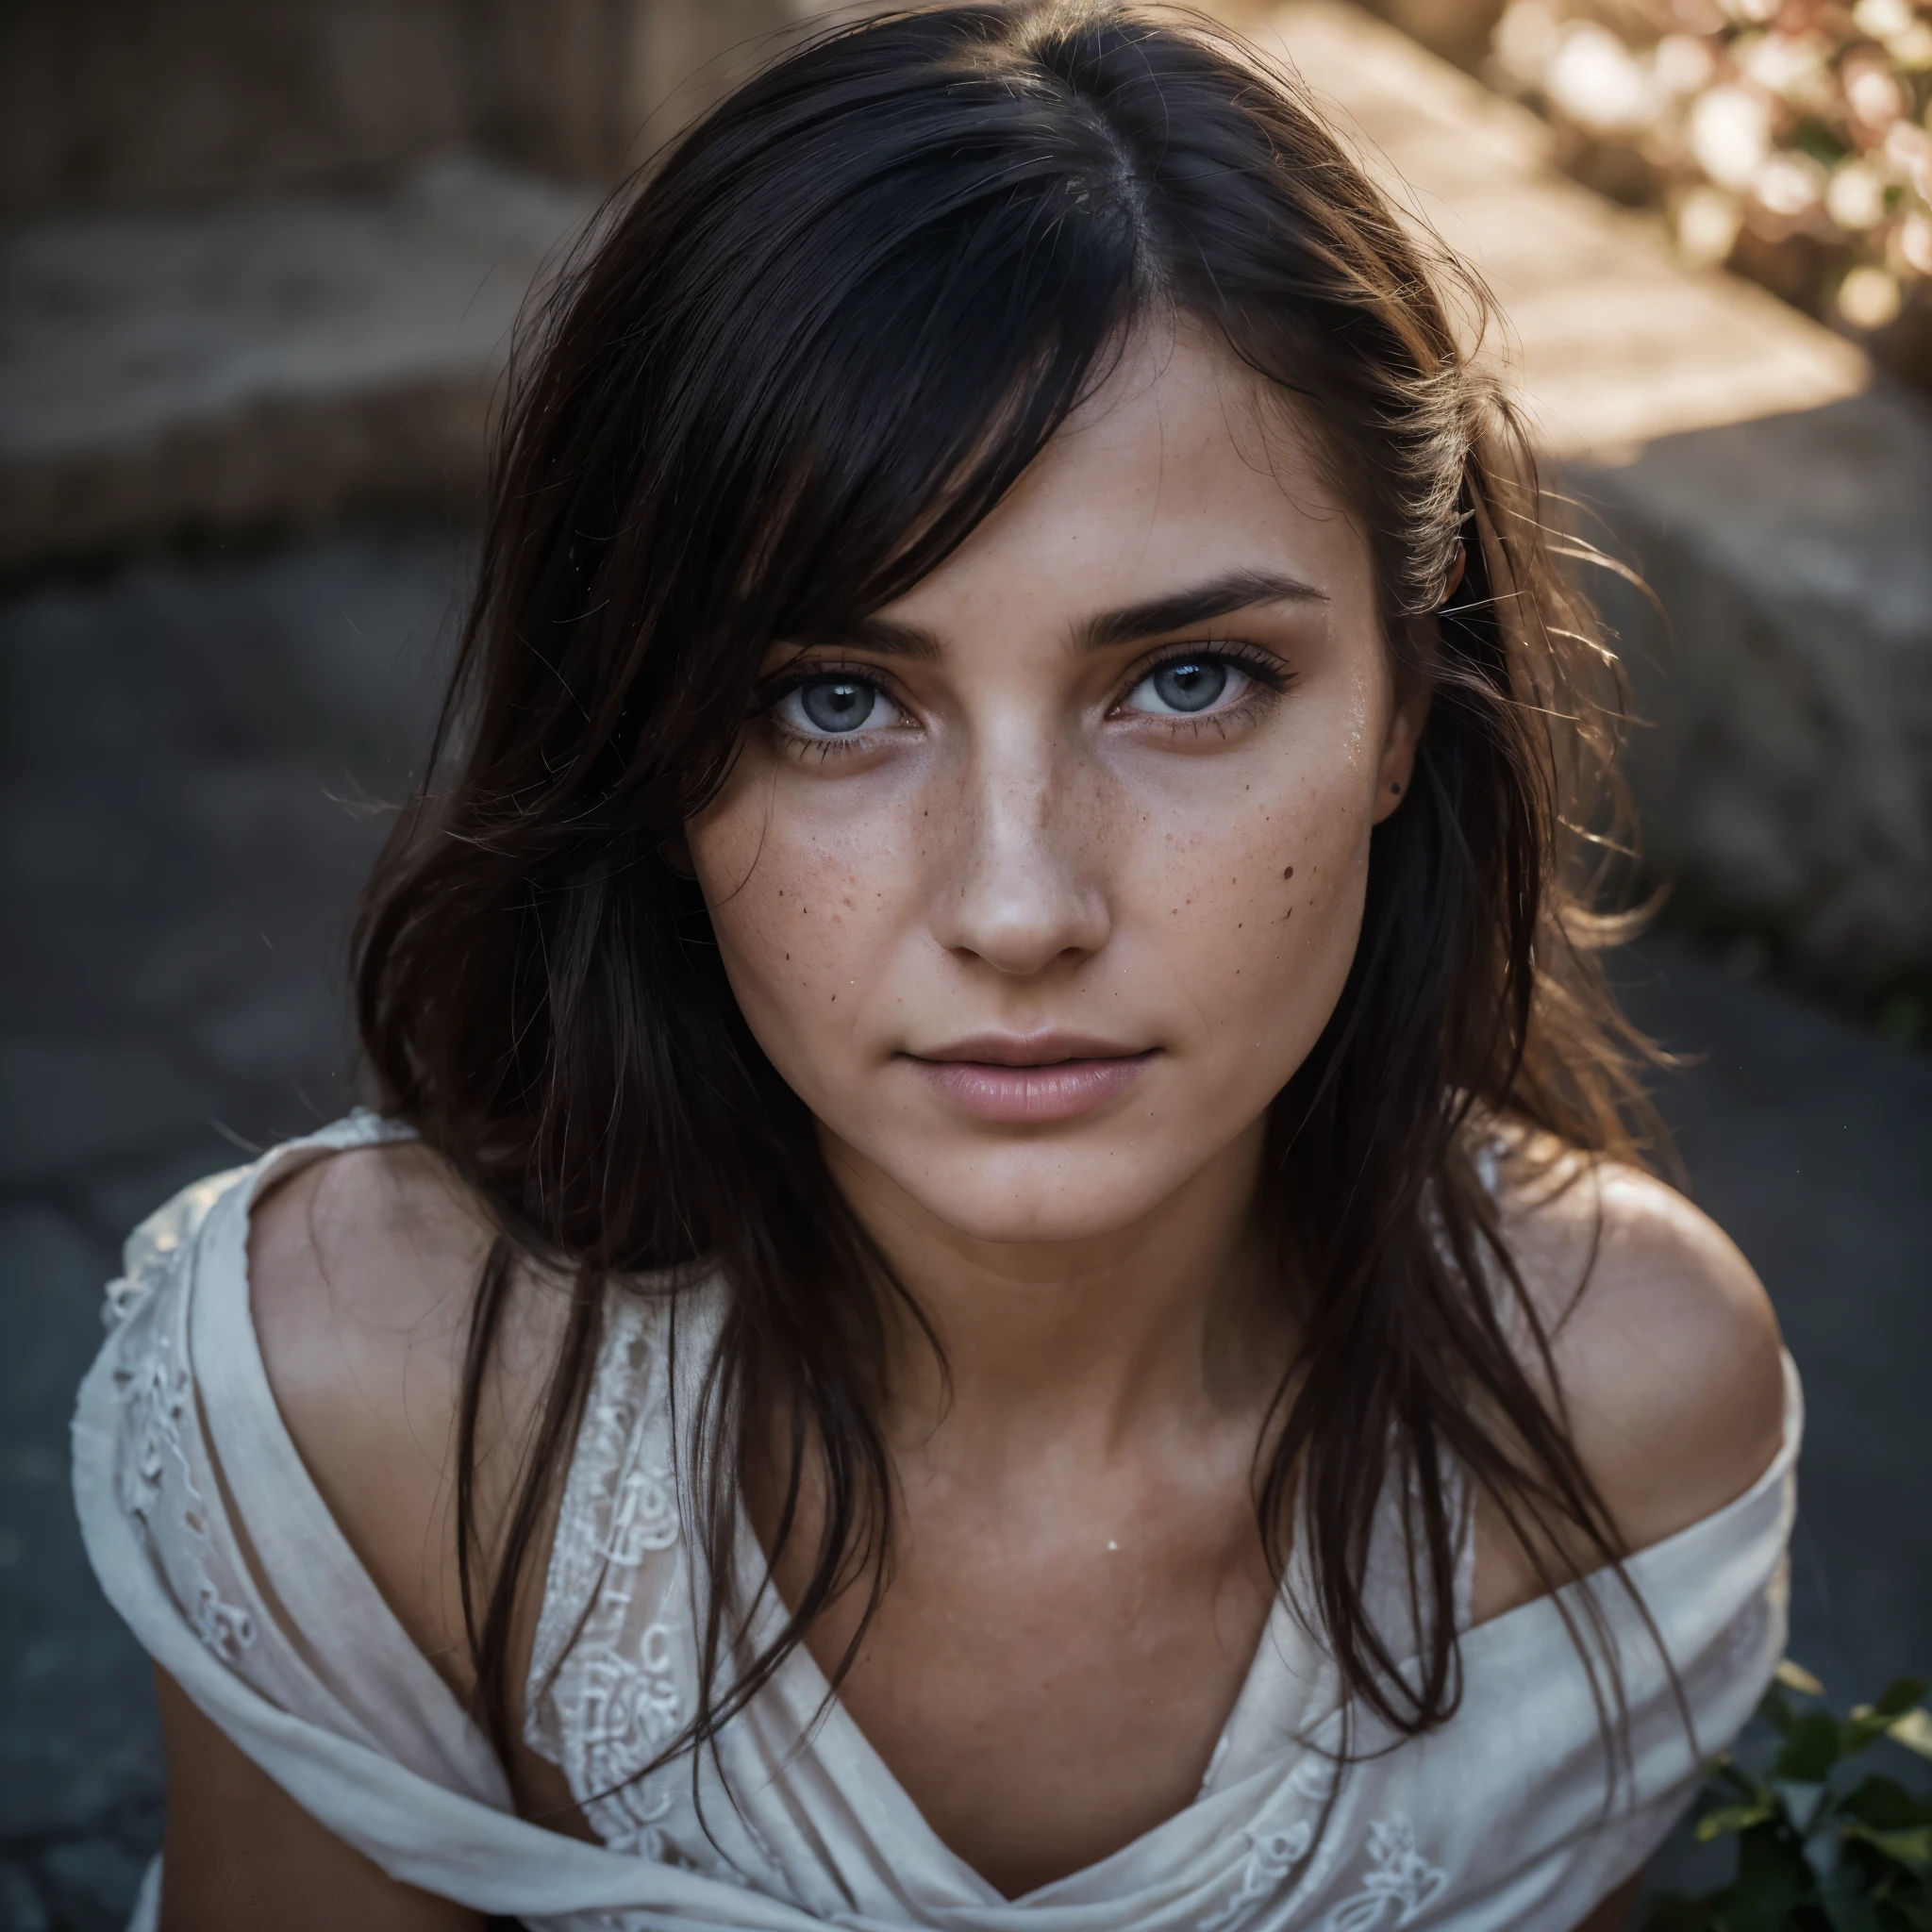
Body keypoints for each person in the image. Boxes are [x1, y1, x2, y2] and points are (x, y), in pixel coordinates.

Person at [74, 5, 1797, 1927]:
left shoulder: (1619, 1405)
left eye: (1189, 680)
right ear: (650, 744)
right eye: (834, 699)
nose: (1018, 903)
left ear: (1406, 704)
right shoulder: (359, 1409)